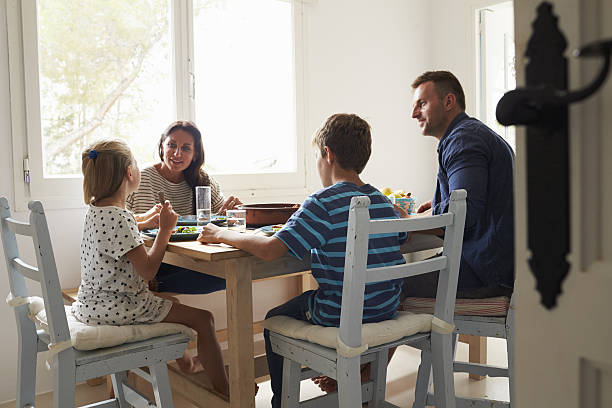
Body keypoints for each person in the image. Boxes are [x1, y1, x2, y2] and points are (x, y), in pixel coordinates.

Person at [197, 113, 409, 408]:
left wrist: (221, 233)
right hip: (385, 308)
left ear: (328, 154)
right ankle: (347, 380)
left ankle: (283, 403)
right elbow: (400, 239)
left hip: (343, 314)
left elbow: (271, 249)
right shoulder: (384, 203)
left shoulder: (322, 202)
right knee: (321, 300)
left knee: (273, 320)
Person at [71, 139, 230, 397]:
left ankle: (188, 364)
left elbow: (126, 224)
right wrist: (165, 230)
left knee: (169, 299)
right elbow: (148, 271)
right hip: (119, 307)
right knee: (204, 319)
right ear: (129, 173)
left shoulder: (98, 210)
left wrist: (147, 220)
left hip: (92, 303)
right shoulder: (119, 217)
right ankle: (225, 390)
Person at [404, 70, 515, 298]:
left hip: (484, 271)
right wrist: (436, 207)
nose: (413, 113)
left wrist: (405, 222)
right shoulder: (472, 134)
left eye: (421, 104)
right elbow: (472, 202)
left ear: (448, 101)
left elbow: (463, 213)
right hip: (496, 266)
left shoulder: (463, 140)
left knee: (381, 289)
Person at [127, 120, 240, 295]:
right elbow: (117, 220)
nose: (177, 153)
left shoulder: (203, 181)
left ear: (195, 154)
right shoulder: (140, 178)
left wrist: (229, 214)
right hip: (150, 261)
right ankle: (151, 285)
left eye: (186, 148)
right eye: (171, 145)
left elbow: (220, 216)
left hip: (191, 260)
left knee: (235, 274)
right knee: (232, 277)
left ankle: (156, 285)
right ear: (162, 147)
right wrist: (149, 219)